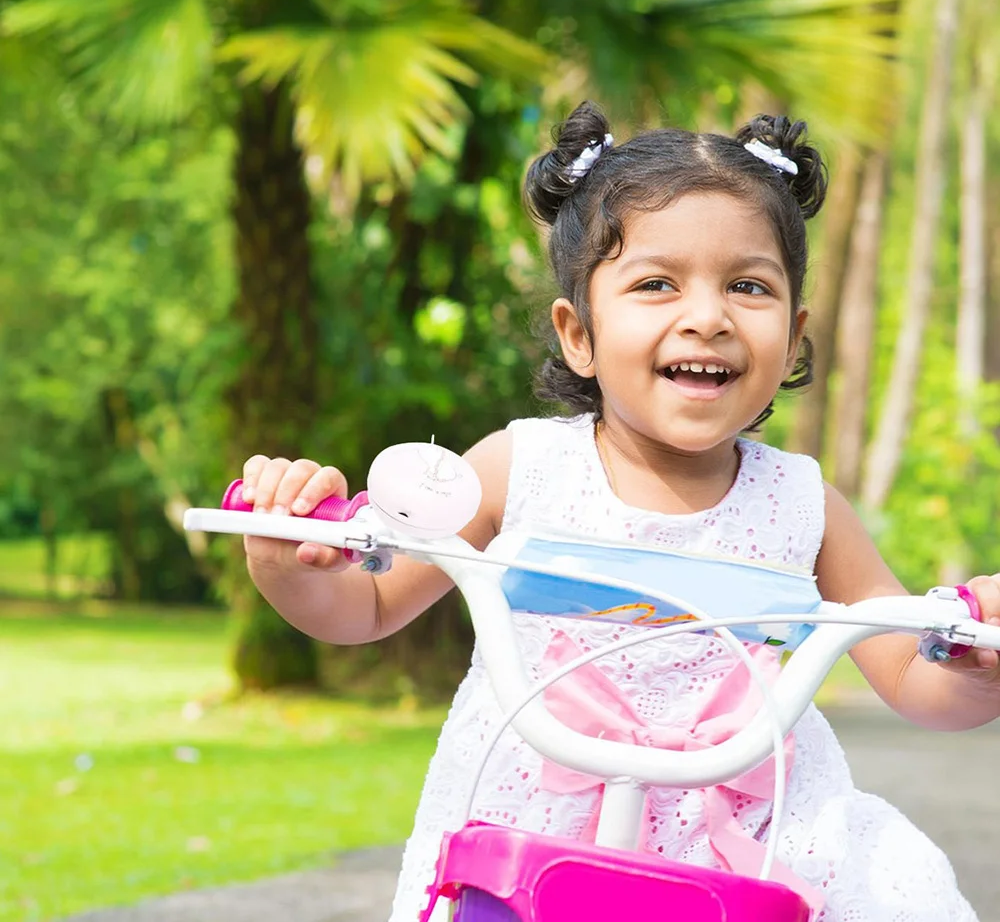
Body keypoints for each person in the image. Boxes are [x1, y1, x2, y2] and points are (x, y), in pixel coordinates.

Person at [240, 101, 1000, 922]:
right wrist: (290, 566)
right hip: (533, 825)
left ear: (793, 335)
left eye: (748, 286)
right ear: (579, 334)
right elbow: (367, 605)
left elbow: (911, 677)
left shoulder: (804, 506)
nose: (707, 317)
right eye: (655, 284)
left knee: (896, 886)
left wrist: (976, 663)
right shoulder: (521, 469)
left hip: (753, 837)